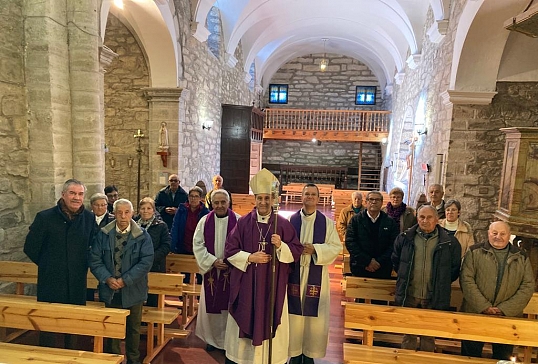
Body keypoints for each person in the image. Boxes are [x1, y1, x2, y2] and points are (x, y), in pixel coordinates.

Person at [224, 168, 303, 364]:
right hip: (247, 284)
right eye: (260, 198)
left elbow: (296, 251)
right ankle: (243, 358)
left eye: (267, 198)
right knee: (247, 311)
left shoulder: (282, 224)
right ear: (255, 199)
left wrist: (281, 246)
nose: (263, 202)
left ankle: (272, 358)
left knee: (270, 314)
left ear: (273, 200)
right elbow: (230, 250)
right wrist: (250, 258)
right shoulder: (243, 223)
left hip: (272, 283)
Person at [24, 179, 96, 349]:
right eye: (72, 193)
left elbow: (92, 246)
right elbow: (31, 248)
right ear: (63, 195)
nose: (76, 198)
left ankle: (71, 355)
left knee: (73, 324)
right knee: (48, 325)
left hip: (77, 281)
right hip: (51, 280)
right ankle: (46, 357)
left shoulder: (89, 218)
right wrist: (49, 264)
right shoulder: (45, 217)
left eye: (80, 194)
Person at [89, 198, 154, 364]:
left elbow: (146, 261)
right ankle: (114, 359)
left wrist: (125, 280)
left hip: (134, 289)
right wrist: (107, 278)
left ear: (132, 213)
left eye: (127, 212)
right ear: (114, 214)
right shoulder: (104, 234)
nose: (123, 216)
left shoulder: (142, 236)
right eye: (119, 212)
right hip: (110, 289)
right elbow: (95, 259)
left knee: (133, 329)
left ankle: (133, 359)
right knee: (112, 328)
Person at [460, 221, 534, 360]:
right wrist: (484, 306)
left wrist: (504, 309)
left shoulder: (521, 256)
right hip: (475, 314)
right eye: (494, 233)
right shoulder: (474, 252)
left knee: (502, 358)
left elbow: (527, 286)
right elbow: (466, 280)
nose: (498, 237)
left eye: (502, 234)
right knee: (470, 357)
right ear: (488, 233)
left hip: (507, 317)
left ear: (509, 235)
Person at [392, 205, 461, 352]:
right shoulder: (405, 238)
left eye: (429, 217)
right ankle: (406, 360)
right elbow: (397, 262)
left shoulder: (449, 242)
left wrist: (440, 283)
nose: (425, 220)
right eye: (422, 217)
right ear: (417, 218)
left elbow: (454, 269)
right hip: (409, 293)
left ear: (437, 220)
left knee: (429, 336)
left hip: (433, 295)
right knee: (408, 334)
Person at [288, 184, 341, 364]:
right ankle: (294, 354)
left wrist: (315, 250)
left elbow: (336, 247)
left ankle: (309, 354)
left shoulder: (326, 223)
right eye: (306, 194)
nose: (310, 197)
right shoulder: (290, 221)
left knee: (313, 318)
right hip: (294, 276)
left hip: (316, 276)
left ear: (318, 199)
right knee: (293, 317)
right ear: (301, 197)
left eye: (313, 194)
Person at [193, 189, 240, 351]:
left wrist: (230, 261)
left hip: (231, 272)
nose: (219, 205)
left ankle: (228, 341)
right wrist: (212, 262)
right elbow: (198, 245)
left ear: (229, 202)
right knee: (211, 310)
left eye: (223, 202)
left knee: (229, 308)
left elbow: (245, 245)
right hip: (212, 273)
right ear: (211, 203)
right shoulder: (204, 222)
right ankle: (212, 341)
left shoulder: (239, 221)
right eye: (216, 202)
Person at [345, 191, 399, 279]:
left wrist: (379, 262)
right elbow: (350, 242)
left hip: (383, 268)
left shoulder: (390, 222)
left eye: (377, 200)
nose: (374, 202)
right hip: (360, 266)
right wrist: (367, 261)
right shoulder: (356, 220)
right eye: (371, 199)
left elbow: (394, 244)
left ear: (382, 203)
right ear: (366, 202)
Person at [135, 197, 171, 307]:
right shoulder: (133, 225)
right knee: (136, 294)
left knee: (153, 296)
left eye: (148, 208)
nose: (145, 211)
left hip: (155, 264)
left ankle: (152, 323)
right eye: (143, 208)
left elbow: (166, 245)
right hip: (136, 265)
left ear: (153, 210)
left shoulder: (161, 226)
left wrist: (150, 258)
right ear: (139, 210)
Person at [88, 193, 115, 301]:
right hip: (87, 257)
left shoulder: (113, 220)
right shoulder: (85, 218)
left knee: (105, 293)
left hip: (105, 258)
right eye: (97, 205)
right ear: (92, 205)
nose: (100, 208)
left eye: (103, 205)